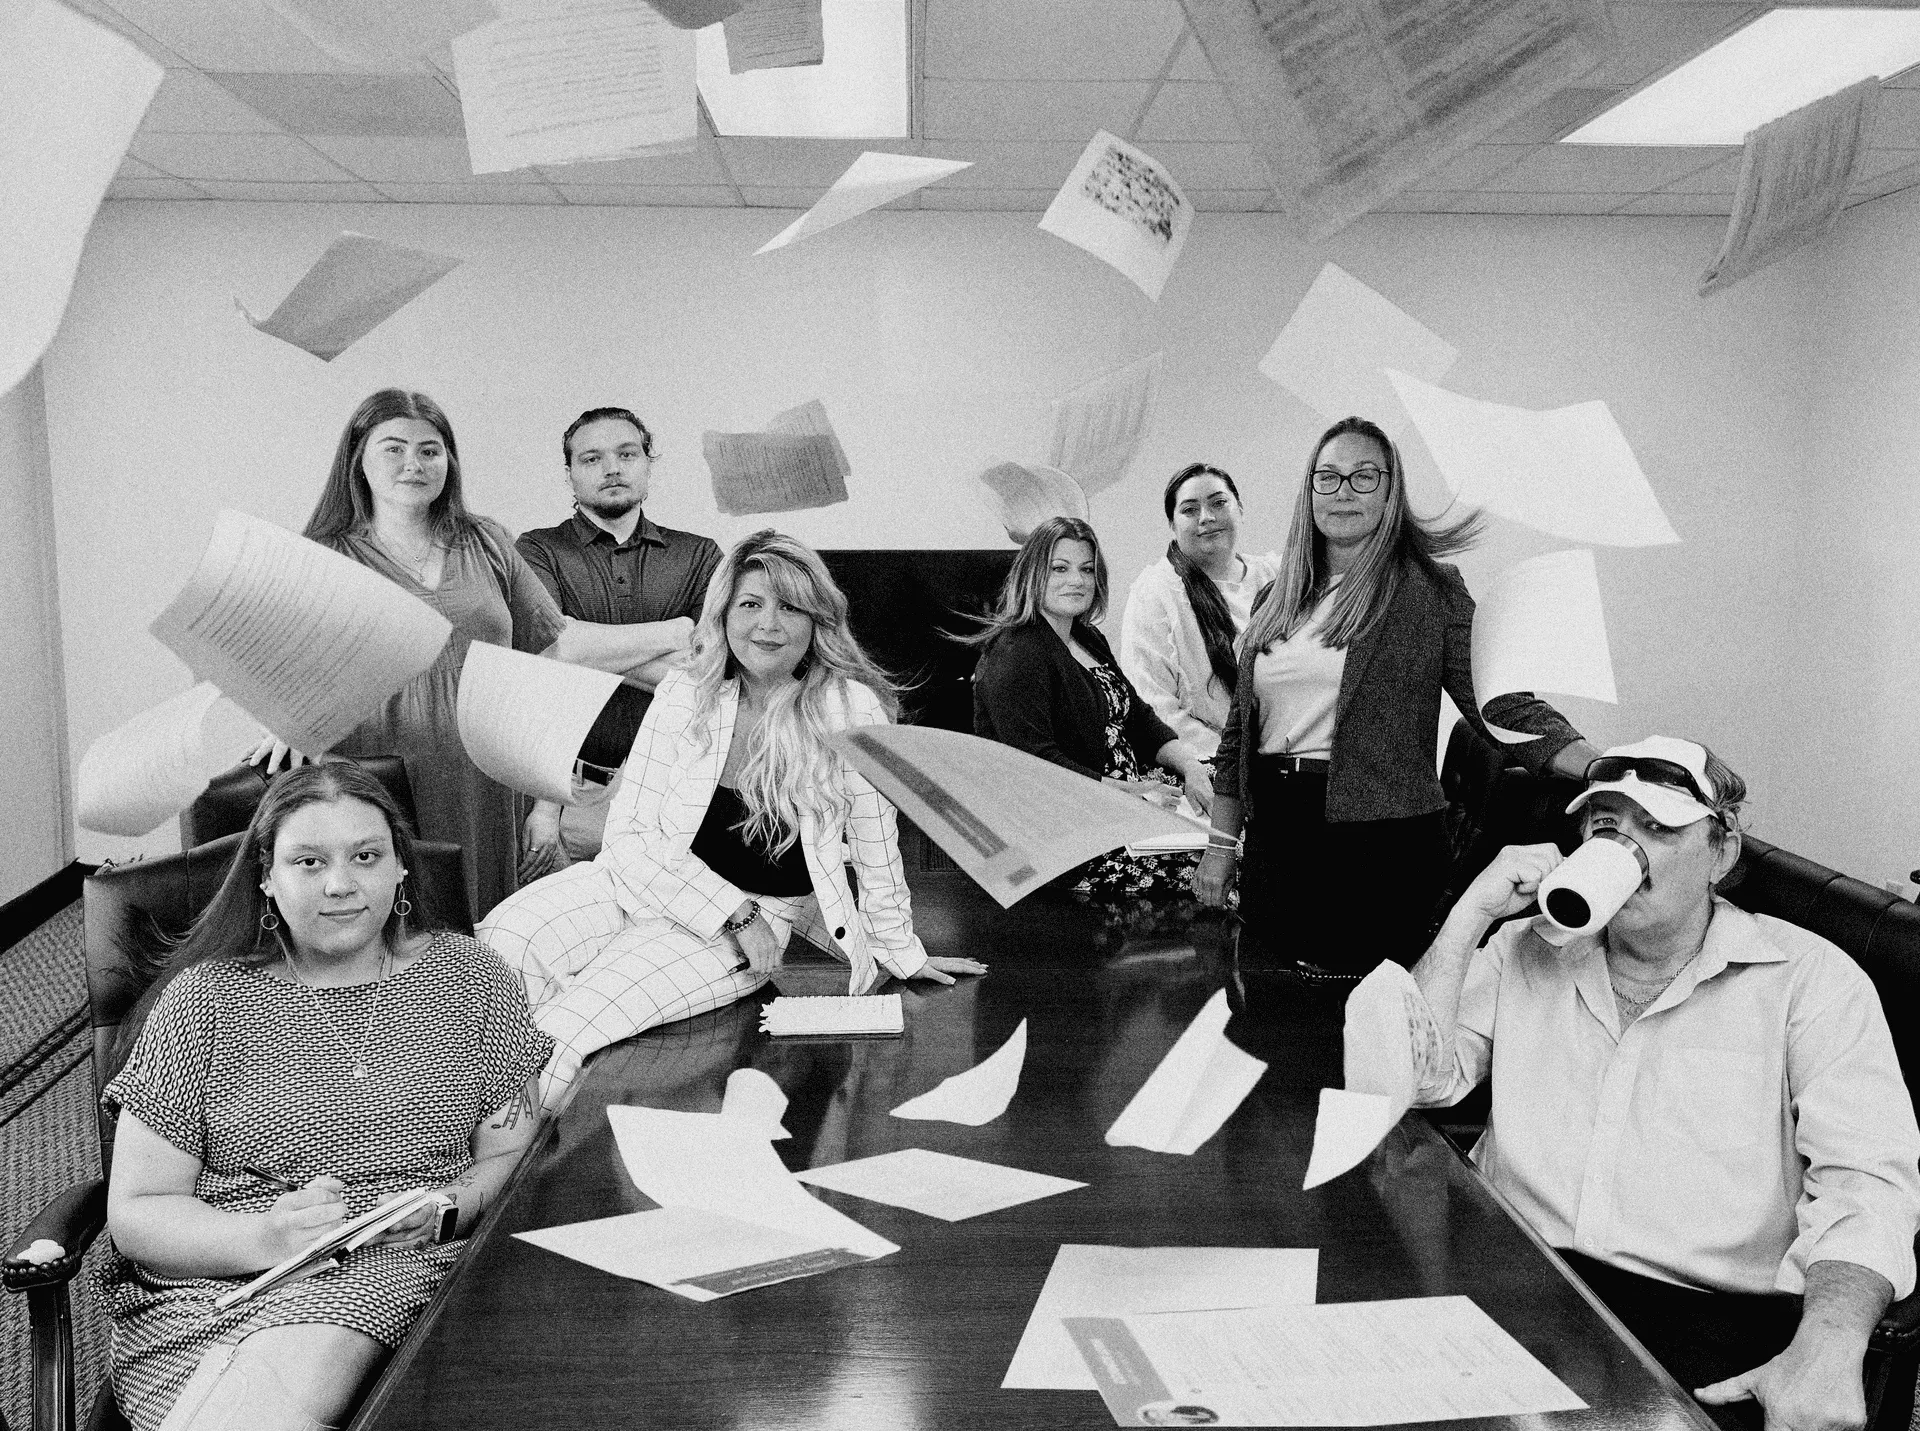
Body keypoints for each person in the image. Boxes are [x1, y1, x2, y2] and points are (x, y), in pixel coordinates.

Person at [1406, 737, 1920, 1431]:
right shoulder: (1529, 946)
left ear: (1722, 850)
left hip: (1698, 1326)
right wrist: (1472, 914)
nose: (1628, 848)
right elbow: (1419, 1080)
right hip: (1510, 1279)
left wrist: (1830, 1337)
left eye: (1659, 828)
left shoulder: (1810, 982)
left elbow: (1868, 1184)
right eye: (1608, 826)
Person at [99, 762, 552, 1431]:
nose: (341, 883)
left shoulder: (471, 977)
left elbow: (514, 1154)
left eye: (365, 856)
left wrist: (448, 1207)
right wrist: (268, 1234)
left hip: (414, 1266)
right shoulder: (205, 999)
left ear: (400, 867)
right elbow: (137, 1213)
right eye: (308, 861)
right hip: (217, 1289)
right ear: (266, 877)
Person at [478, 530, 987, 1109]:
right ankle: (431, 1152)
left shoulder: (849, 708)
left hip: (746, 925)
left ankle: (492, 1181)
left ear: (816, 620)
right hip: (636, 885)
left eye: (789, 606)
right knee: (497, 954)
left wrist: (903, 952)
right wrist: (730, 909)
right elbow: (629, 837)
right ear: (723, 614)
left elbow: (876, 846)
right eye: (751, 604)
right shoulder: (686, 692)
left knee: (565, 1029)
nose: (768, 624)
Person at [253, 389, 699, 921]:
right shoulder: (326, 555)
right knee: (394, 940)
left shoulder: (486, 540)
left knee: (488, 939)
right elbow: (266, 655)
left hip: (490, 784)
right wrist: (282, 712)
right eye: (392, 449)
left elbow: (548, 654)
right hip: (379, 781)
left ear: (449, 461)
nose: (413, 464)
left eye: (429, 450)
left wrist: (543, 801)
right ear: (358, 460)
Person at [1192, 415, 1598, 971]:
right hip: (1276, 839)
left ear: (1390, 492)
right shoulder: (1277, 597)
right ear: (1309, 490)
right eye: (1328, 477)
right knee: (1275, 1008)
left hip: (1377, 845)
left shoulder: (1427, 590)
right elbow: (1238, 738)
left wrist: (1600, 765)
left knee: (1364, 1021)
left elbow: (1498, 704)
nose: (1343, 491)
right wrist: (1220, 847)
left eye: (1364, 476)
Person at [515, 406, 722, 875]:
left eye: (626, 454)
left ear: (648, 462)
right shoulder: (537, 549)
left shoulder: (699, 554)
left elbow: (711, 666)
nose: (612, 468)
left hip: (680, 789)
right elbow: (551, 649)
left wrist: (586, 653)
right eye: (591, 459)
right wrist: (673, 632)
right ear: (569, 474)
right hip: (569, 789)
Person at [971, 516, 1214, 899]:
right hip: (1072, 839)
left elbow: (1139, 718)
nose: (1078, 580)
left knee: (1237, 817)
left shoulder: (1088, 637)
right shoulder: (1016, 653)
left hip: (1130, 806)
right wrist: (1129, 794)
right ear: (1033, 575)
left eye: (1087, 569)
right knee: (1215, 869)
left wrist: (1192, 768)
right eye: (1060, 568)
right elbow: (1036, 765)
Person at [1119, 464, 1279, 761]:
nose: (1207, 517)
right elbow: (1153, 704)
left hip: (1282, 760)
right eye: (1190, 510)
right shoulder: (1156, 589)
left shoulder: (1277, 577)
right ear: (1172, 524)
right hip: (1201, 766)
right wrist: (1235, 762)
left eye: (1219, 503)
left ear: (1240, 509)